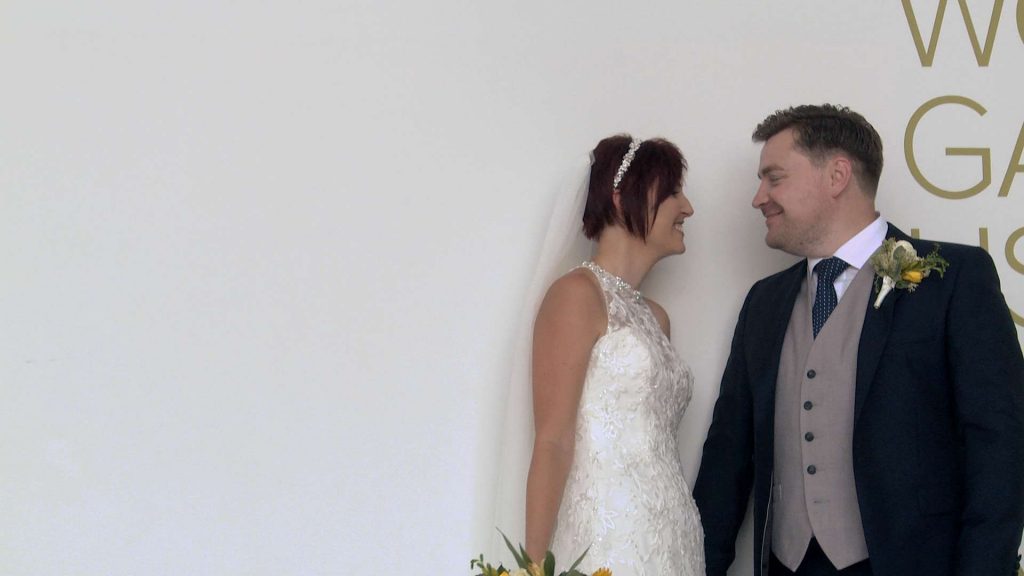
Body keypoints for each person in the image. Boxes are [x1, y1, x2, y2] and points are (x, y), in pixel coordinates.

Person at [693, 104, 1024, 576]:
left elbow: (998, 448)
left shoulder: (954, 280)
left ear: (837, 175)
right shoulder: (764, 303)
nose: (758, 197)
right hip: (789, 564)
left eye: (774, 177)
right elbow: (728, 456)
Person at [505, 134, 704, 575]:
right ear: (619, 198)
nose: (687, 207)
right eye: (673, 191)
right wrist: (533, 566)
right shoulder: (577, 296)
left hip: (673, 539)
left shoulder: (657, 318)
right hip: (607, 541)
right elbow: (553, 440)